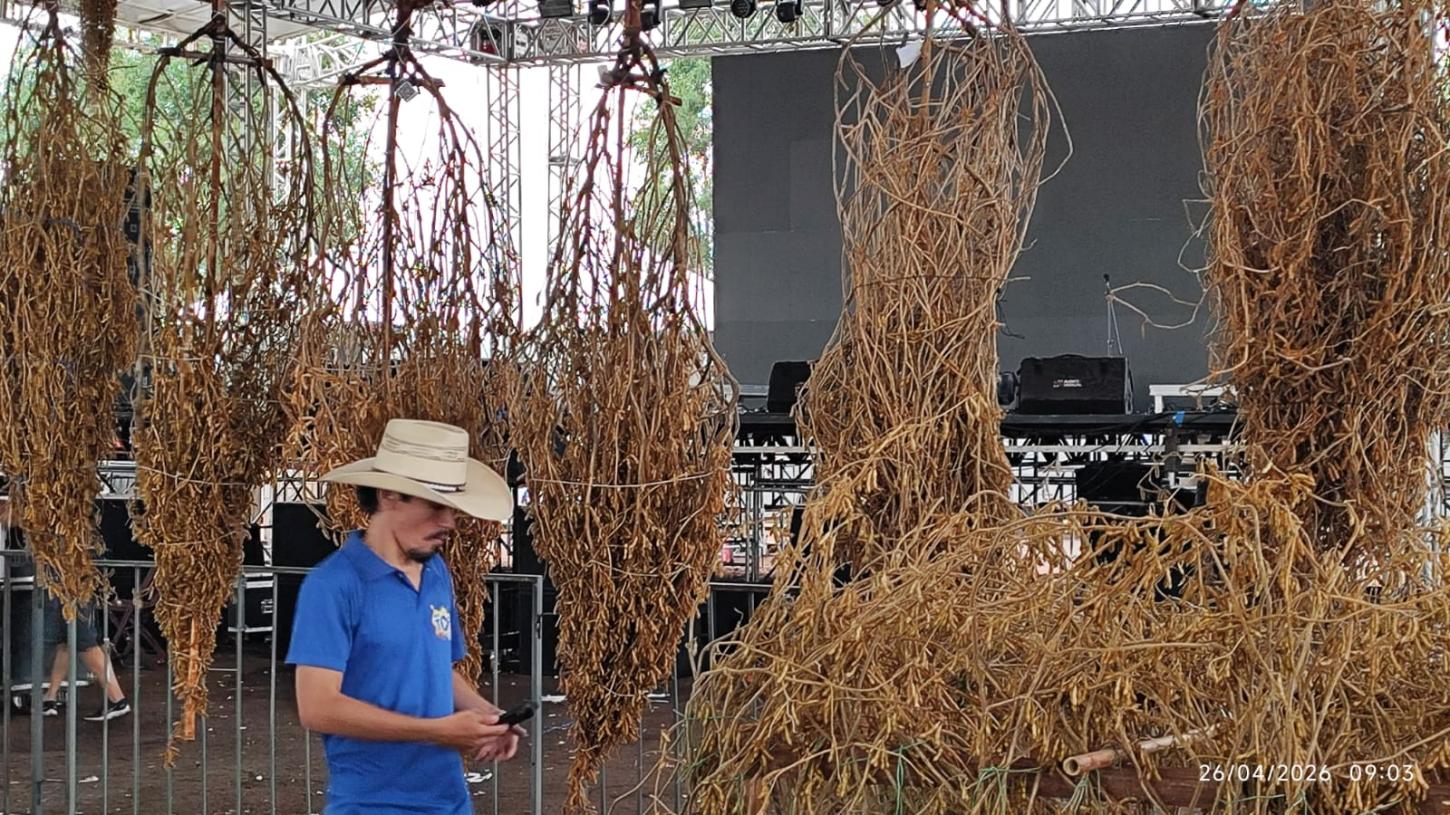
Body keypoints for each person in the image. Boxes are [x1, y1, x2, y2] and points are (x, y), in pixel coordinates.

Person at [287, 419, 523, 815]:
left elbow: (435, 668)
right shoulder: (333, 585)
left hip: (449, 800)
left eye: (451, 507)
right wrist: (437, 731)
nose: (448, 522)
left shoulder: (435, 572)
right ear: (389, 494)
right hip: (372, 805)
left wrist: (485, 714)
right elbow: (317, 707)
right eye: (434, 506)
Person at [40, 594, 130, 720]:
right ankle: (50, 696)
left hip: (76, 588)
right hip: (72, 589)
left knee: (84, 643)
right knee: (67, 641)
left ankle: (117, 699)